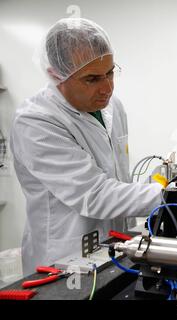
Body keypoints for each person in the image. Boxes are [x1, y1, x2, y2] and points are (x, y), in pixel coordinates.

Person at [10, 18, 164, 276]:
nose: (108, 87)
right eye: (92, 78)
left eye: (110, 72)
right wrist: (169, 196)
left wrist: (166, 183)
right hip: (63, 260)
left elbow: (115, 179)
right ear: (56, 75)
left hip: (115, 247)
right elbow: (94, 194)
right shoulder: (36, 121)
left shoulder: (112, 107)